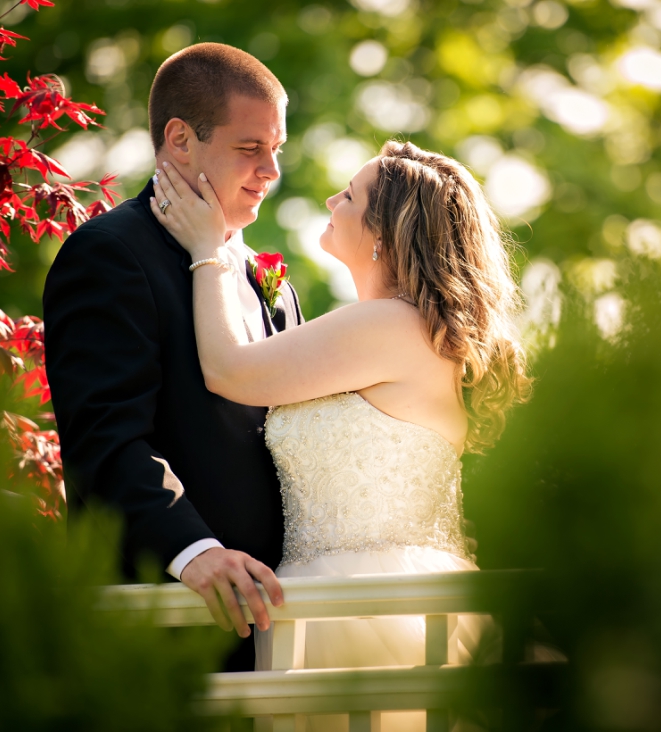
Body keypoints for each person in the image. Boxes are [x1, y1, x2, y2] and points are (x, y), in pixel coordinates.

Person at [150, 139, 531, 730]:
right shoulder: (415, 331)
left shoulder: (393, 325)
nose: (331, 197)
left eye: (350, 195)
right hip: (337, 598)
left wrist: (208, 251)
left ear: (385, 232)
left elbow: (229, 370)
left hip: (364, 609)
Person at [42, 43, 302, 671]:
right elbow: (105, 439)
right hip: (167, 623)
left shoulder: (276, 282)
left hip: (282, 623)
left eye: (277, 150)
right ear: (180, 139)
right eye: (250, 148)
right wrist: (196, 551)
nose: (271, 170)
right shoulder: (108, 255)